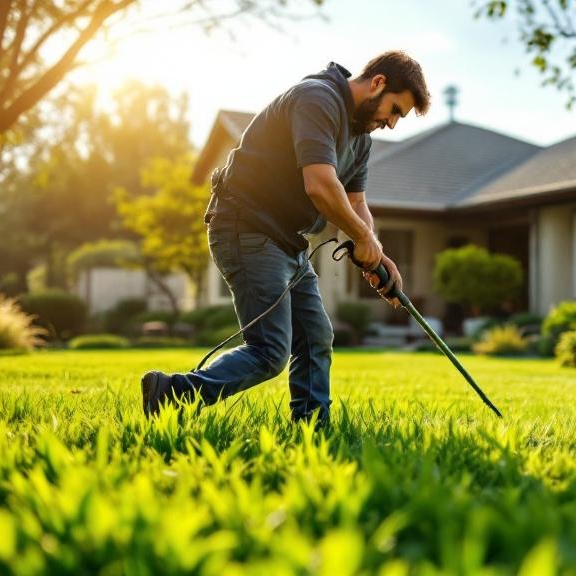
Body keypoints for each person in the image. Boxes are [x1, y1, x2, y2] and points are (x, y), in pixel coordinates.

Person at [140, 51, 431, 429]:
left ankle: (311, 427)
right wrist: (363, 238)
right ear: (377, 83)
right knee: (269, 351)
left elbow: (356, 201)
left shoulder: (360, 138)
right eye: (394, 110)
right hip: (245, 226)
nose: (391, 124)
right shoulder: (317, 98)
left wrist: (377, 254)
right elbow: (321, 185)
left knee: (315, 337)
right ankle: (173, 394)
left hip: (289, 242)